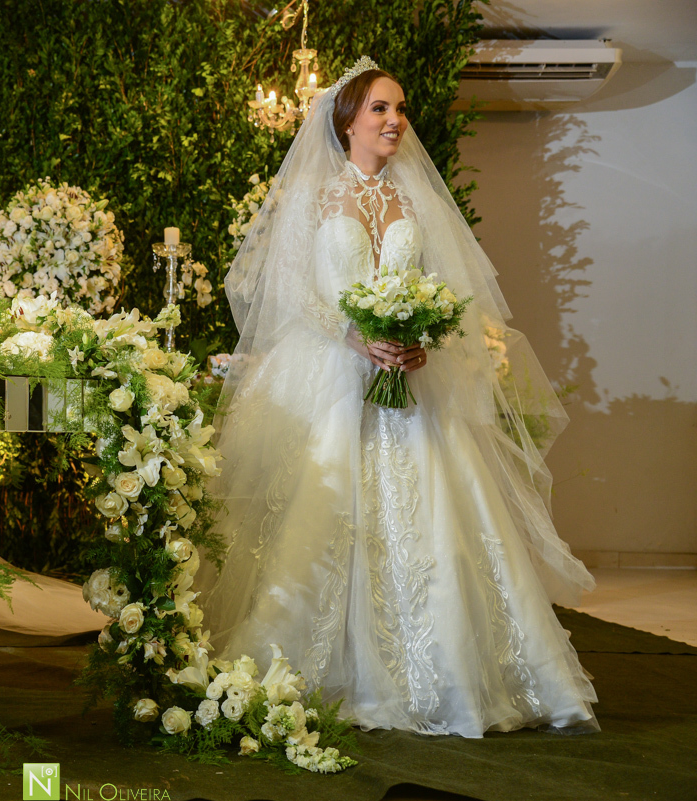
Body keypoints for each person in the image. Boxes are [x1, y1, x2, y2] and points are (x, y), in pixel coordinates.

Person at [196, 56, 598, 737]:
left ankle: (449, 673)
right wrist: (353, 337)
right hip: (333, 380)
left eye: (400, 109)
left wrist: (421, 341)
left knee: (441, 520)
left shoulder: (415, 203)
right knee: (321, 521)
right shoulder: (313, 199)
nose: (395, 120)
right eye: (381, 108)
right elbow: (289, 293)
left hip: (411, 385)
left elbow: (449, 296)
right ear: (348, 120)